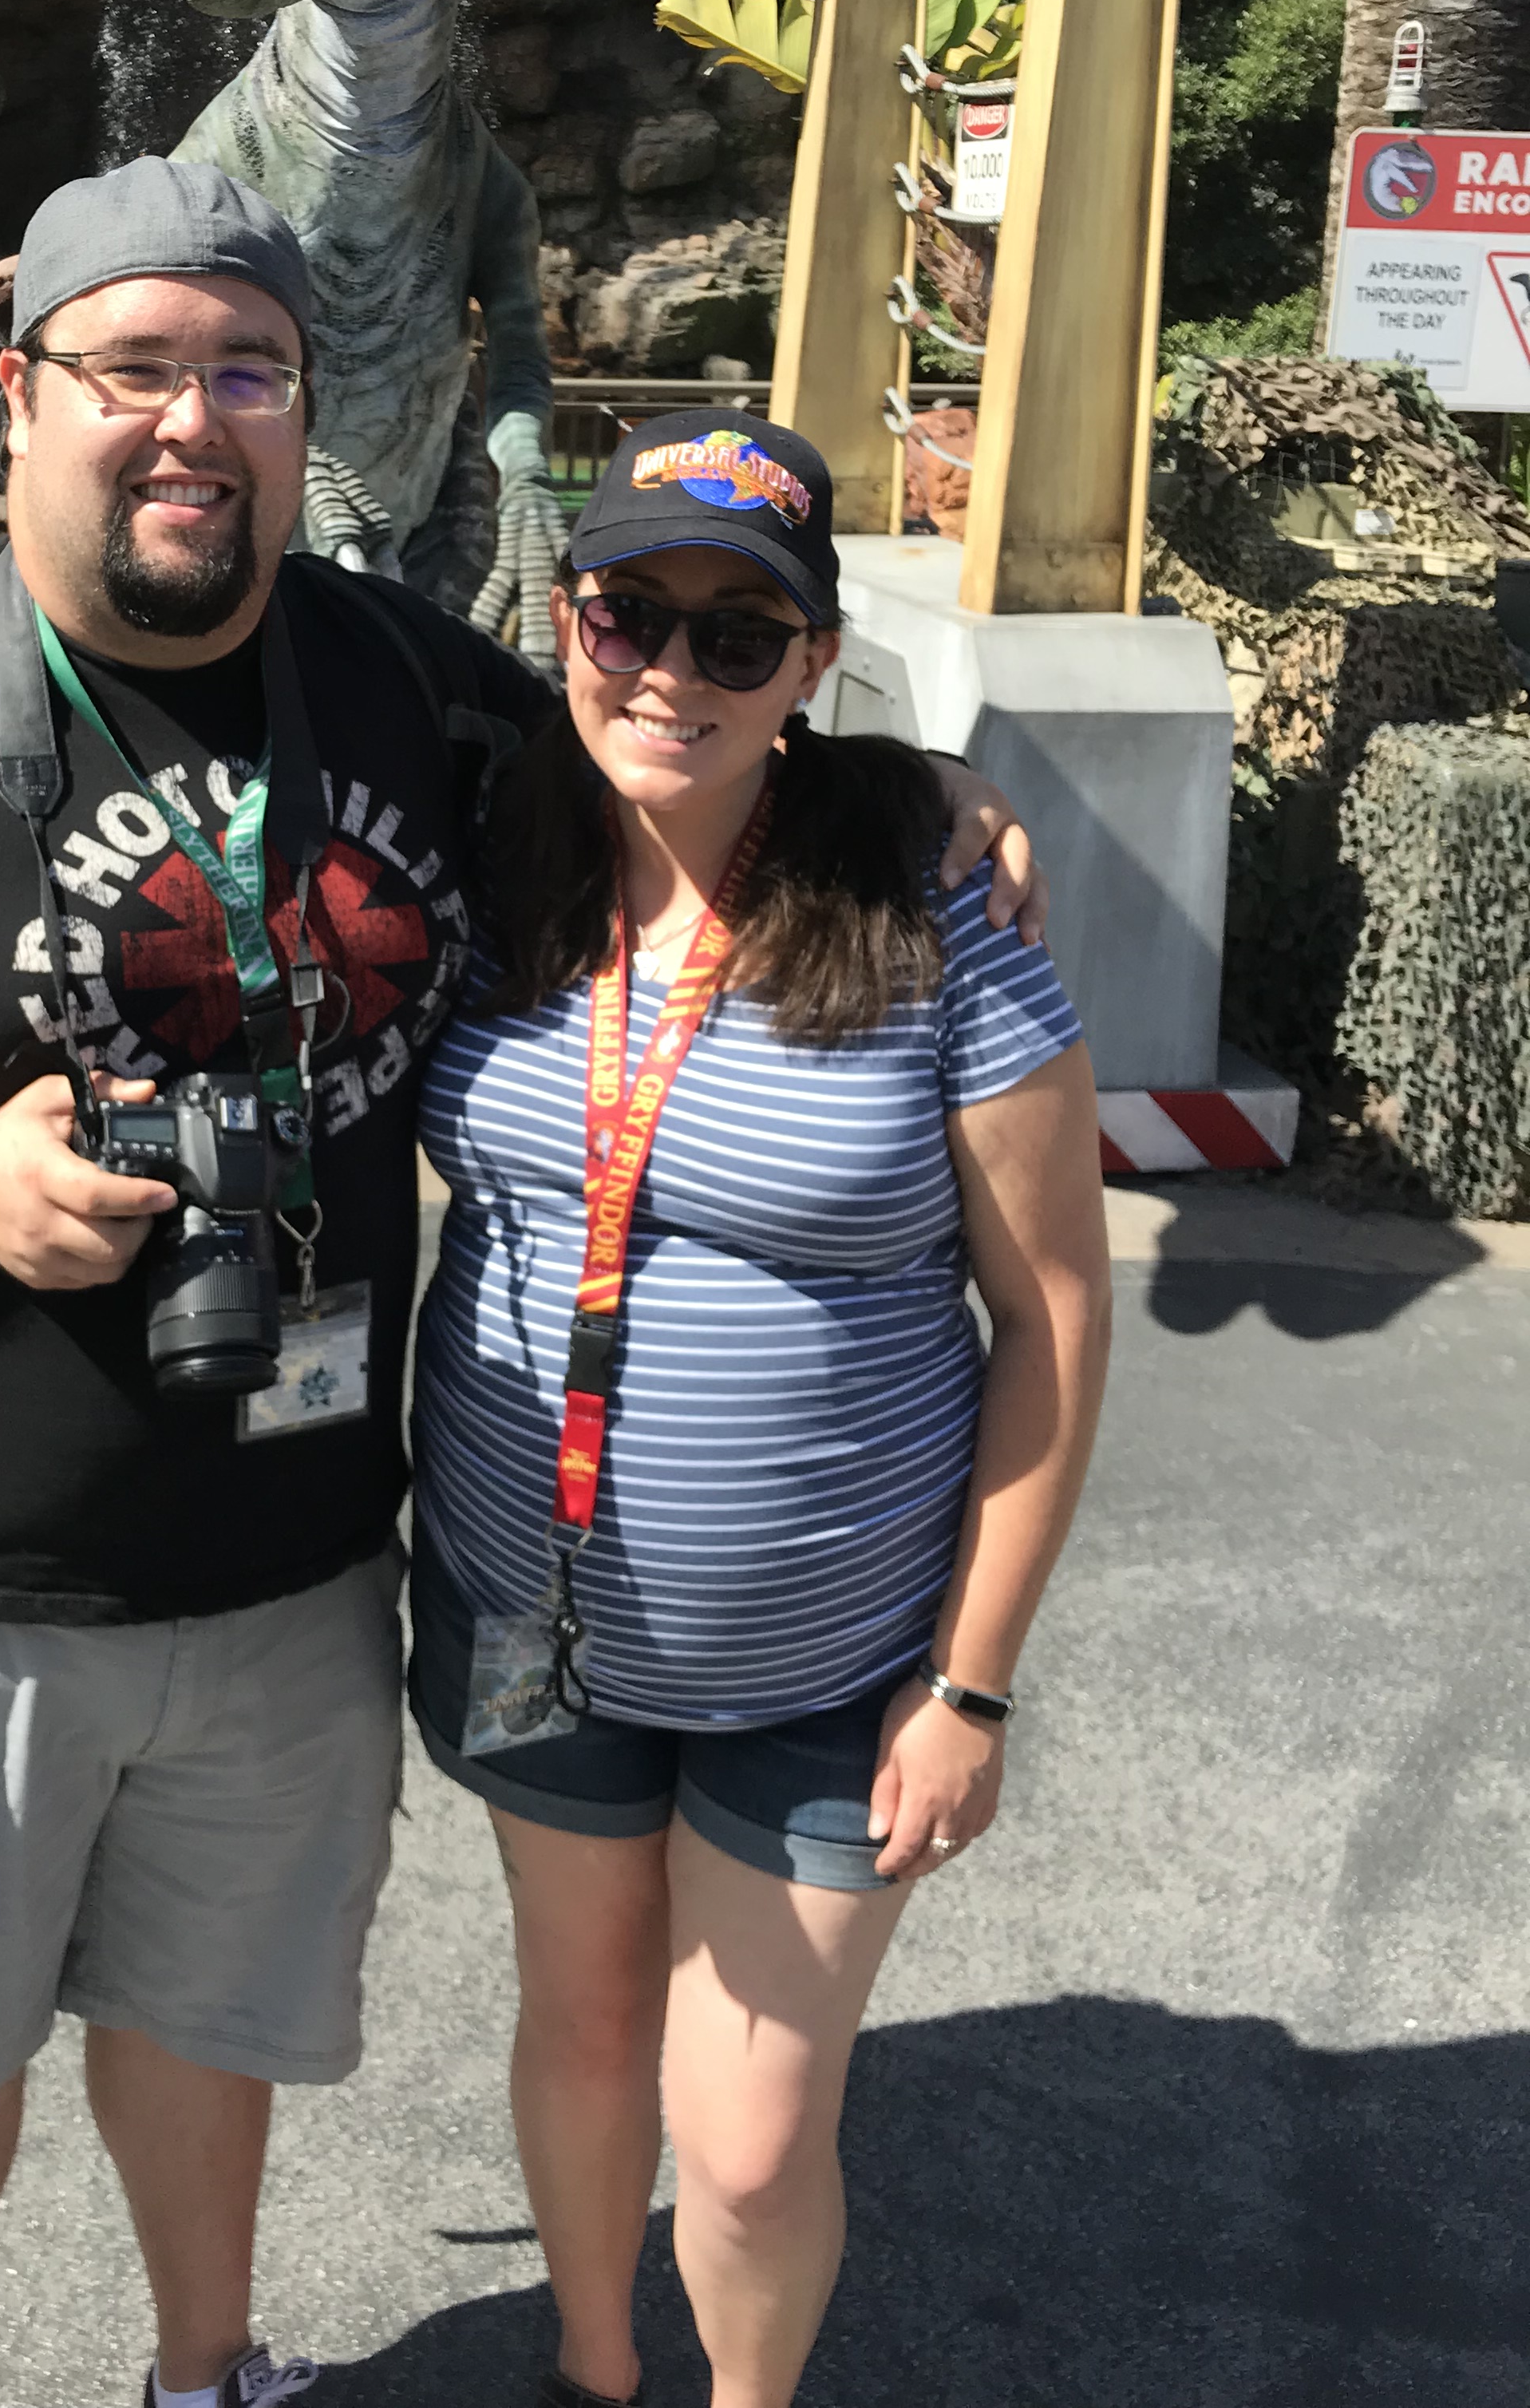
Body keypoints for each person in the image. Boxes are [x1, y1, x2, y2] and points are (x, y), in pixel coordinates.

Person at [0, 163, 1042, 2408]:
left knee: (200, 2023)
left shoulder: (406, 682)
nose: (193, 419)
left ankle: (206, 2371)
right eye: (134, 365)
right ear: (19, 393)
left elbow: (680, 732)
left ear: (309, 412)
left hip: (294, 1575)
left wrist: (902, 783)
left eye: (250, 370)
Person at [405, 411, 1111, 2408]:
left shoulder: (926, 905)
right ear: (567, 618)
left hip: (830, 1662)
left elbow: (1056, 1316)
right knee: (579, 2027)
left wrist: (969, 1686)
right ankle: (594, 2371)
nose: (672, 672)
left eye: (740, 637)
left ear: (814, 663)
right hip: (526, 1615)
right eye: (631, 616)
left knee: (745, 2140)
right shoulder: (493, 865)